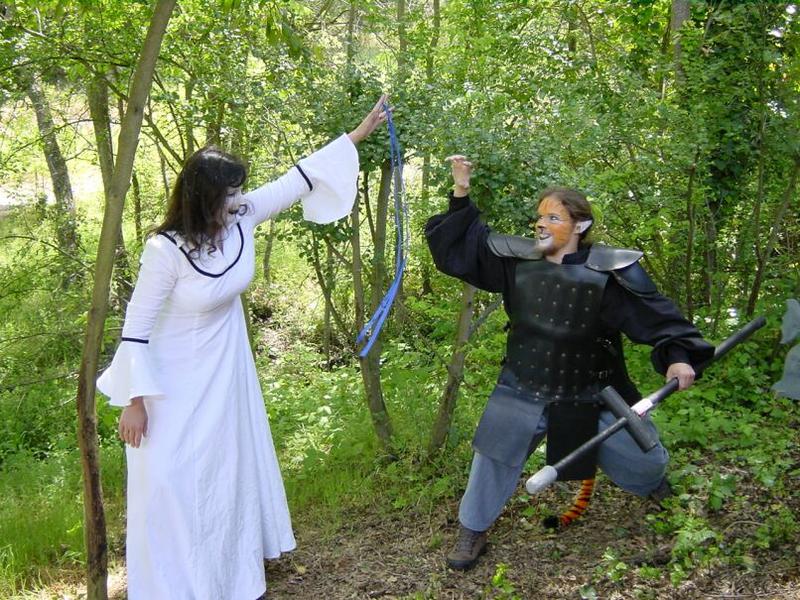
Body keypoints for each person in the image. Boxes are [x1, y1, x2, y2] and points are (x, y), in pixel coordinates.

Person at [96, 96, 388, 599]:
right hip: (169, 386)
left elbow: (295, 181)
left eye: (239, 191)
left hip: (224, 376)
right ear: (203, 197)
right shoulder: (165, 250)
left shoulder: (242, 217)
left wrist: (356, 136)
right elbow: (136, 327)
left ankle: (226, 580)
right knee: (170, 484)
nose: (238, 200)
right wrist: (133, 400)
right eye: (229, 193)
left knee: (222, 478)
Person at [425, 155, 715, 571]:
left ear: (580, 226)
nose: (541, 225)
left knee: (644, 461)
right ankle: (473, 529)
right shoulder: (515, 261)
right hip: (522, 386)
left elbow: (656, 318)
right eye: (539, 217)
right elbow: (461, 248)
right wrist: (461, 190)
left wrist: (678, 358)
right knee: (492, 456)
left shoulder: (609, 273)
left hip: (593, 391)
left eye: (553, 217)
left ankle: (658, 491)